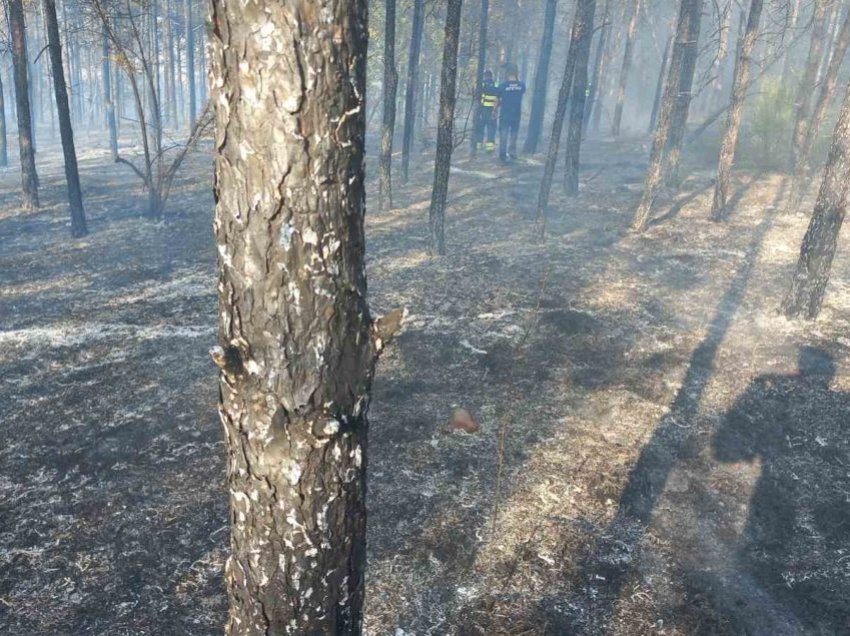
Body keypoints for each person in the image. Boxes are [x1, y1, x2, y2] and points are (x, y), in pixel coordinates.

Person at [497, 64, 525, 163]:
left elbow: (498, 100)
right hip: (516, 115)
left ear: (507, 73)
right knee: (514, 134)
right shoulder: (522, 85)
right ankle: (512, 152)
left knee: (503, 135)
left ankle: (503, 155)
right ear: (516, 73)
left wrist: (494, 110)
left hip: (505, 115)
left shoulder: (502, 86)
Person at [474, 70, 499, 153]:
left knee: (480, 127)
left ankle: (479, 145)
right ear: (491, 76)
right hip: (493, 110)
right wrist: (495, 110)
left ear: (485, 76)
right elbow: (498, 98)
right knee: (491, 129)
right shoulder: (496, 84)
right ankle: (490, 148)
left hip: (482, 110)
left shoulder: (481, 84)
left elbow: (477, 96)